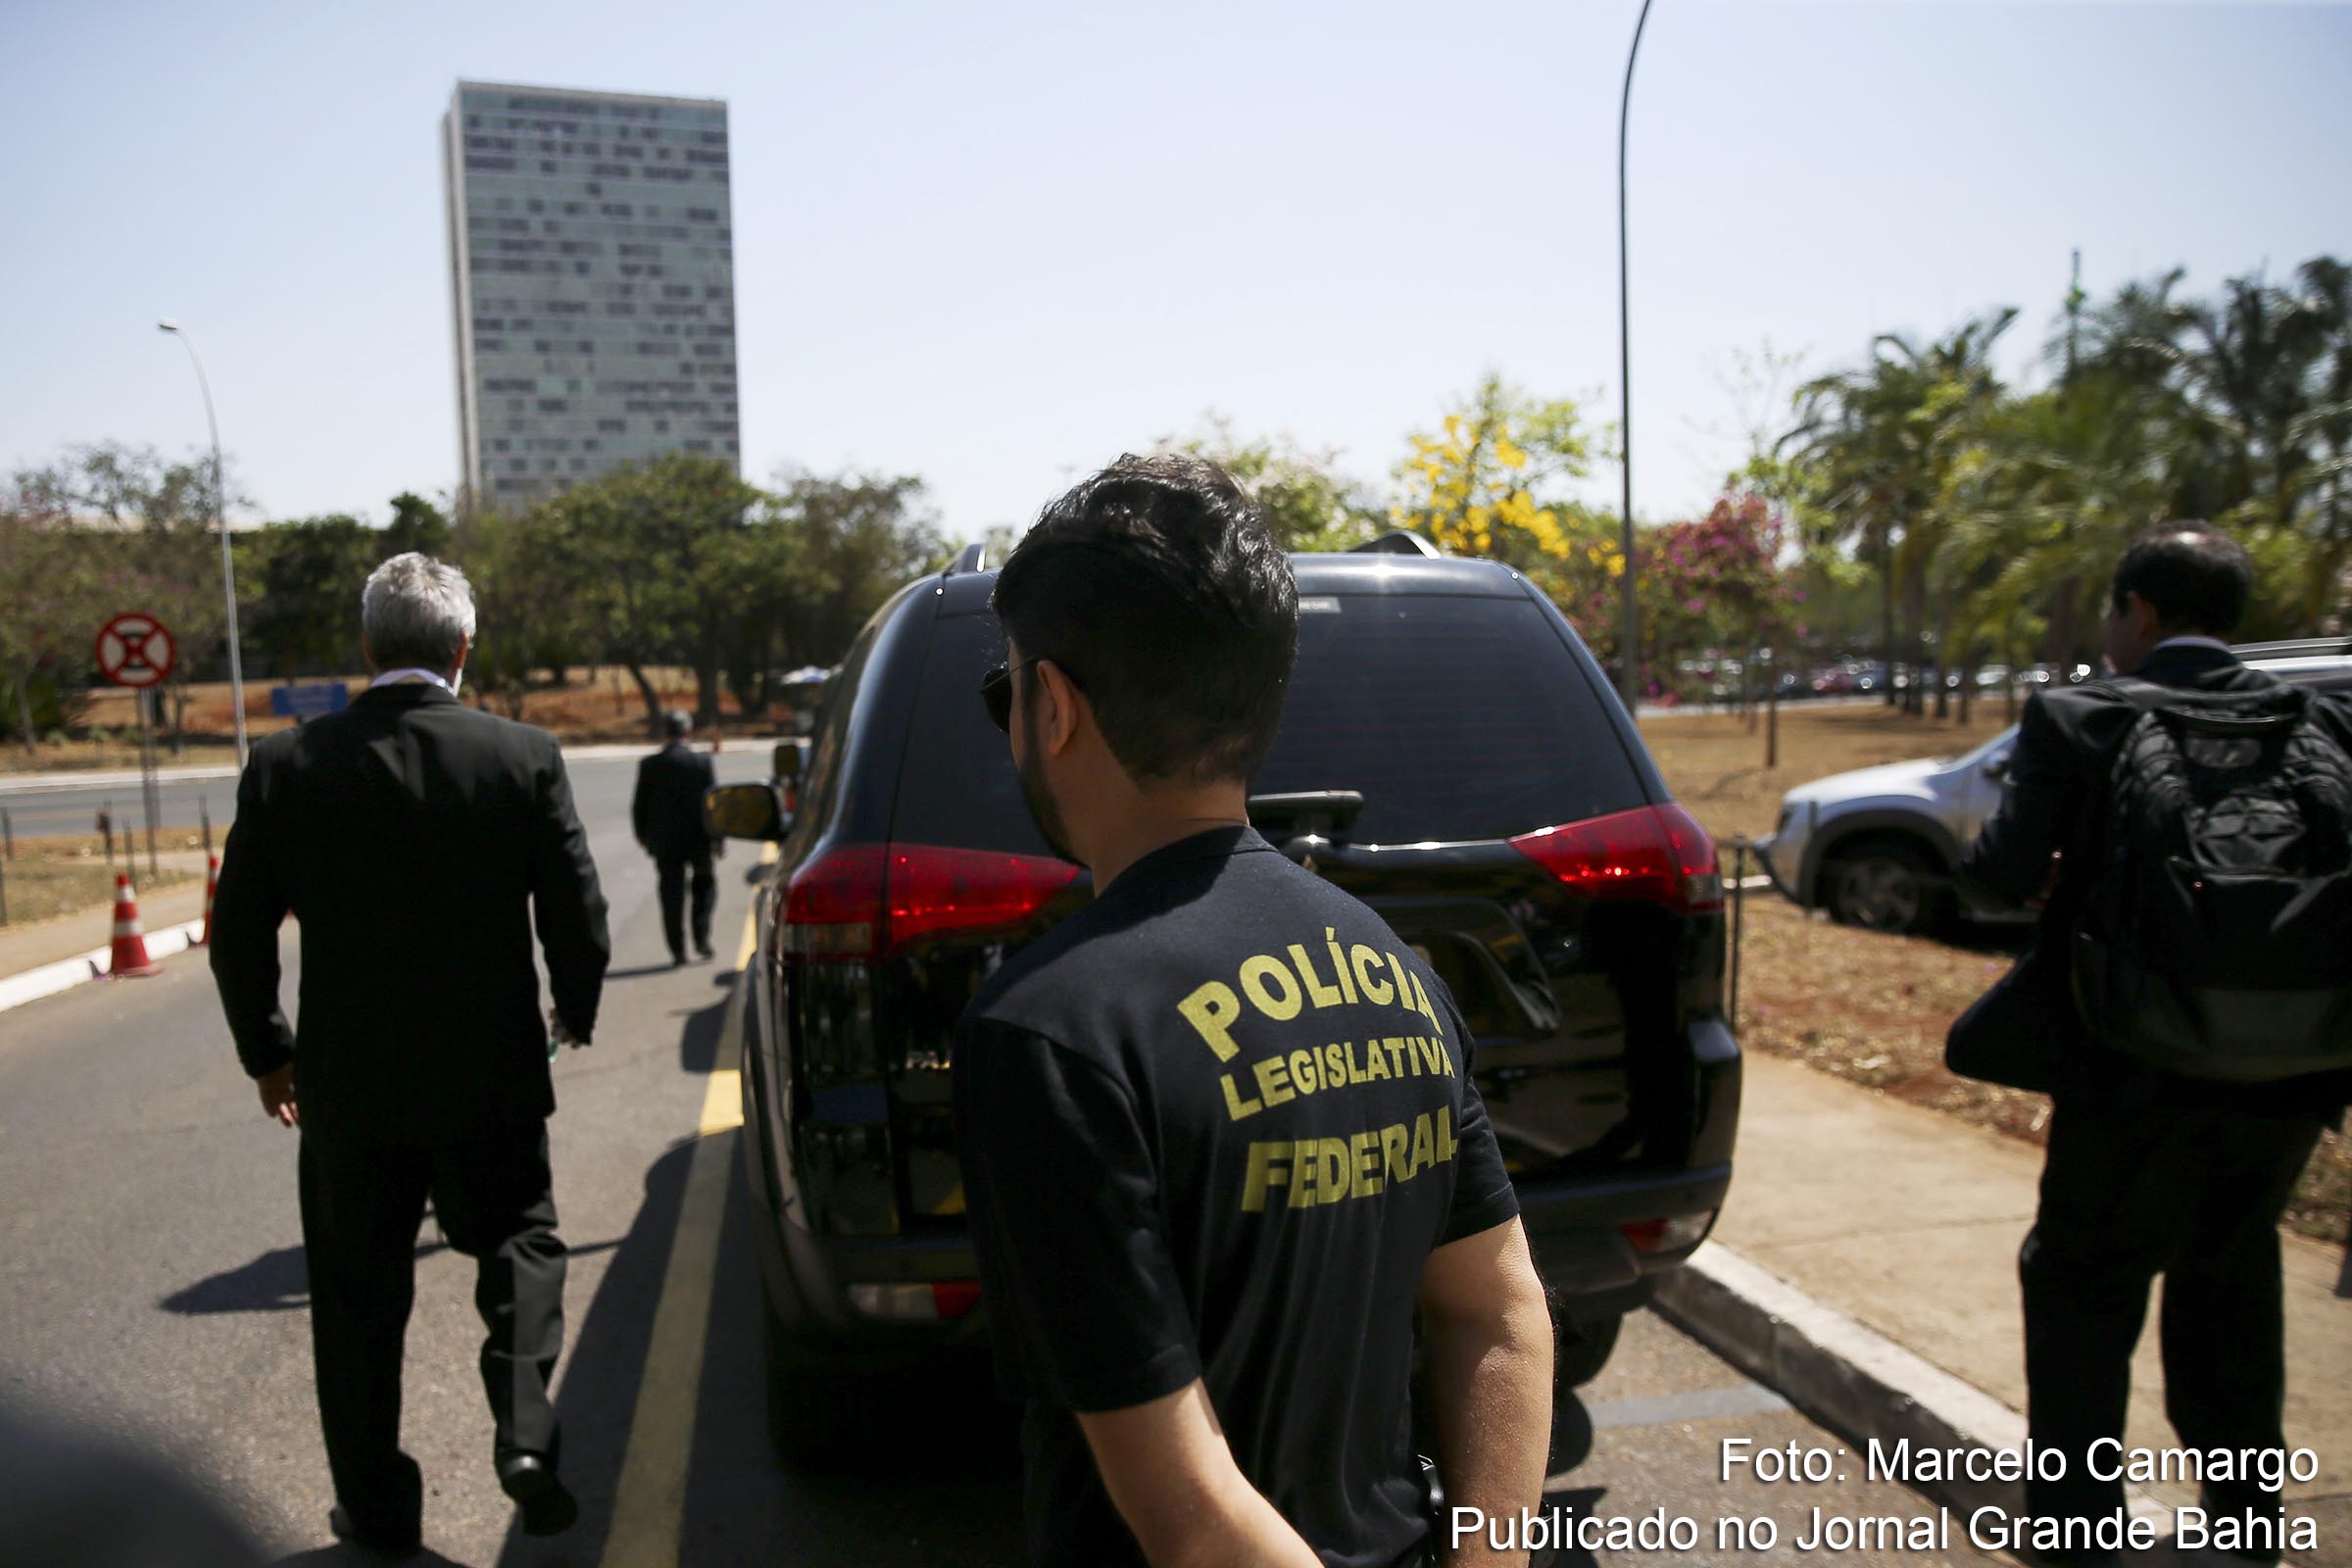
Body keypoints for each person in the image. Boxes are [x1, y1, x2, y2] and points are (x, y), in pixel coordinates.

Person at [953, 454, 1553, 1568]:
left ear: (1053, 706)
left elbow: (1187, 1518)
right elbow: (1502, 1314)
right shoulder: (1388, 961)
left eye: (1010, 691)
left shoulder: (1048, 1032)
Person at [1958, 524, 2352, 1567]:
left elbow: (1998, 876)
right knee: (2234, 1265)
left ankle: (2079, 1529)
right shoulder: (2323, 716)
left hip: (2127, 1066)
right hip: (2293, 1067)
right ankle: (2246, 1520)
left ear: (2137, 611)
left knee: (2084, 1277)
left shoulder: (2082, 714)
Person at [209, 553, 610, 1553]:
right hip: (492, 1076)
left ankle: (382, 1517)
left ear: (367, 646)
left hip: (349, 1089)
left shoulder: (287, 765)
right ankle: (523, 1434)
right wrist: (576, 1008)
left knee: (354, 1300)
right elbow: (580, 915)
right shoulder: (522, 755)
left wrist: (270, 1052)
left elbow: (239, 931)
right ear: (463, 649)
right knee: (520, 1242)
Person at [632, 709, 721, 964]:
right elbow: (712, 802)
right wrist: (719, 839)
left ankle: (678, 949)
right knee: (704, 887)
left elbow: (639, 805)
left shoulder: (650, 765)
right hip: (700, 839)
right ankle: (701, 938)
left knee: (671, 895)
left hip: (665, 843)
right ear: (688, 731)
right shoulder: (701, 762)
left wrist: (642, 836)